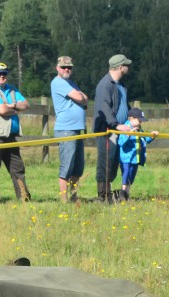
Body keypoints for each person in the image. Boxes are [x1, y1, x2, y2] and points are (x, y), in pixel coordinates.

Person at [0, 62, 30, 201]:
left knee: (18, 167)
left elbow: (26, 104)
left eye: (4, 74)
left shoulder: (12, 89)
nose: (2, 77)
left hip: (10, 136)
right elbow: (2, 110)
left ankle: (24, 197)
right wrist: (15, 110)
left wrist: (12, 106)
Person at [50, 55, 87, 202]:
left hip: (77, 129)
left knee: (78, 167)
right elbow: (80, 98)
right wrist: (80, 96)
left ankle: (74, 196)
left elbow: (85, 98)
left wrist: (80, 96)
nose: (67, 69)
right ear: (57, 68)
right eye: (64, 67)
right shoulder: (58, 82)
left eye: (69, 67)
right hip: (66, 129)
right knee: (67, 166)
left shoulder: (71, 83)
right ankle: (64, 200)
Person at [94, 54, 131, 201]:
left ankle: (109, 194)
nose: (129, 67)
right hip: (108, 131)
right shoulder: (106, 84)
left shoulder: (120, 85)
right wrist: (116, 125)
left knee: (114, 162)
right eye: (126, 65)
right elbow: (104, 107)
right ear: (120, 67)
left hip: (118, 131)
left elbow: (124, 106)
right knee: (106, 162)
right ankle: (103, 196)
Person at [116, 107, 158, 201]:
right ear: (132, 119)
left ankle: (127, 195)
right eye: (140, 120)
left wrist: (152, 136)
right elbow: (121, 142)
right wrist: (128, 134)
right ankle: (122, 195)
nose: (141, 123)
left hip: (136, 159)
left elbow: (144, 140)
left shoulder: (139, 130)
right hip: (126, 159)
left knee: (131, 178)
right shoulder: (125, 128)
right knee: (125, 177)